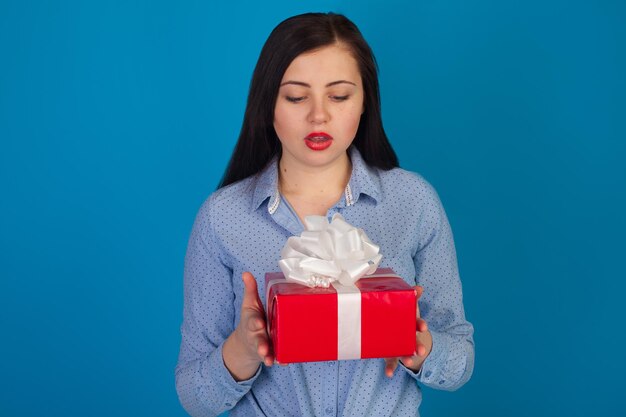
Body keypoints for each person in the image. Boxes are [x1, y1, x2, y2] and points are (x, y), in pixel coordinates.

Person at [175, 12, 474, 417]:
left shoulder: (413, 202)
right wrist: (243, 350)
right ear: (268, 105)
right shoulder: (222, 218)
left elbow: (460, 362)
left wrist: (418, 345)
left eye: (339, 96)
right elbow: (195, 398)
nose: (319, 115)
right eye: (296, 97)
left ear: (366, 100)